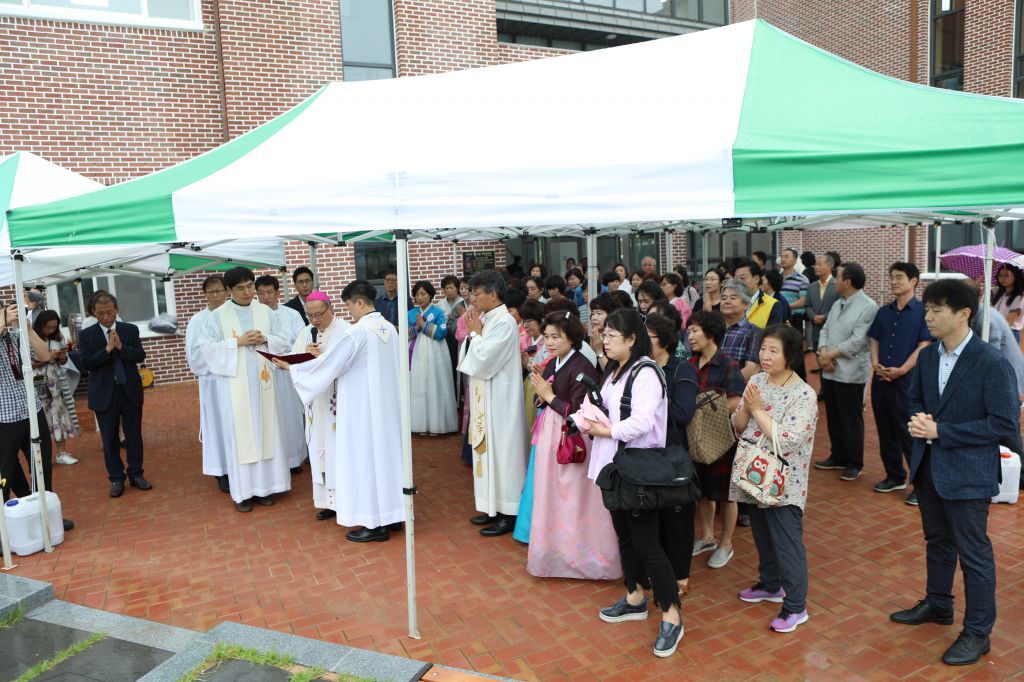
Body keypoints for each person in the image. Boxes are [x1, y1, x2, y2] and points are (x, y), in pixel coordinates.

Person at [890, 279, 1019, 667]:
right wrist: (918, 419)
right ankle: (938, 603)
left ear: (963, 314)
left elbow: (1004, 424)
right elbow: (915, 398)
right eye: (927, 308)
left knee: (974, 553)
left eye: (936, 310)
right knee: (937, 541)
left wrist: (941, 431)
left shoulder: (990, 361)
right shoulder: (928, 356)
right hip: (929, 466)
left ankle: (979, 632)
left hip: (968, 472)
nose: (927, 316)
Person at [282, 280, 405, 542]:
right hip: (388, 410)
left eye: (349, 305)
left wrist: (293, 367)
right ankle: (393, 515)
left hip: (361, 411)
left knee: (366, 462)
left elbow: (330, 365)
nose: (349, 312)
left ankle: (374, 524)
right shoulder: (390, 330)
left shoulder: (357, 332)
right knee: (387, 460)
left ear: (359, 302)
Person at [590, 309, 682, 658]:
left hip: (637, 470)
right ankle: (634, 597)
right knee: (626, 537)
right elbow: (608, 410)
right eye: (605, 334)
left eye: (613, 335)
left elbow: (642, 423)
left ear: (632, 339)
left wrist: (606, 430)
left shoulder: (645, 373)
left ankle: (672, 614)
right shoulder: (614, 371)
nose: (606, 339)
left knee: (647, 544)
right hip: (613, 468)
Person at [730, 325, 818, 633]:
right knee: (763, 534)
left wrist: (757, 410)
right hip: (753, 474)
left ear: (790, 356)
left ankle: (796, 606)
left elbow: (788, 440)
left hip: (784, 483)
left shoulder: (804, 394)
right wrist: (744, 410)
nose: (765, 356)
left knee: (787, 543)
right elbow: (740, 423)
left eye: (773, 351)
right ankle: (770, 584)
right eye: (763, 349)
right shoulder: (755, 380)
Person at [519, 311, 620, 579]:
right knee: (551, 494)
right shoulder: (555, 363)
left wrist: (548, 395)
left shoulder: (581, 367)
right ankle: (554, 553)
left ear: (572, 337)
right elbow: (545, 398)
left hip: (570, 438)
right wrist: (543, 392)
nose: (549, 342)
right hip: (552, 435)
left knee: (573, 498)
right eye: (547, 336)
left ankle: (580, 557)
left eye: (556, 337)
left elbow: (578, 411)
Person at [198, 266, 292, 512]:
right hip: (234, 386)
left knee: (266, 430)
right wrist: (237, 342)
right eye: (240, 288)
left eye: (250, 286)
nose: (248, 292)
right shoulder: (216, 316)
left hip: (263, 384)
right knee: (240, 436)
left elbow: (284, 340)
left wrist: (266, 339)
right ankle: (243, 493)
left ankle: (267, 488)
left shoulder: (266, 312)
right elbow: (206, 350)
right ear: (229, 291)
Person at [458, 270, 528, 537]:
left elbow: (485, 359)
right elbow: (471, 355)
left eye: (477, 293)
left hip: (500, 401)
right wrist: (473, 333)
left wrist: (475, 334)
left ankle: (508, 513)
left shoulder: (504, 322)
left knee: (504, 455)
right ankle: (491, 507)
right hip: (484, 397)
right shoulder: (486, 317)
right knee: (487, 454)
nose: (473, 298)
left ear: (494, 294)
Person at [0, 304, 74, 531]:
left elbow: (44, 355)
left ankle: (46, 516)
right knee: (6, 474)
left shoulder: (15, 335)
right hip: (4, 417)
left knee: (42, 469)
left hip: (32, 411)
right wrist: (2, 323)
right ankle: (5, 530)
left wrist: (28, 329)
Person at [687, 310, 746, 570]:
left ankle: (726, 544)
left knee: (725, 494)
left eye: (694, 331)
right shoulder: (690, 364)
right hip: (696, 440)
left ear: (711, 334)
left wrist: (704, 409)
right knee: (702, 491)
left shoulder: (728, 365)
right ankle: (708, 537)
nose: (689, 336)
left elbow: (736, 400)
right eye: (688, 331)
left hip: (721, 439)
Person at [868, 263, 932, 502]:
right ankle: (894, 475)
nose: (894, 281)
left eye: (899, 277)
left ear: (914, 281)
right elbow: (874, 339)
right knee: (885, 429)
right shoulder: (883, 311)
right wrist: (875, 364)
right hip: (881, 379)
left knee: (908, 431)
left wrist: (903, 369)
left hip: (906, 381)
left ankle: (920, 484)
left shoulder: (922, 312)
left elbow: (924, 345)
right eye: (892, 277)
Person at [78, 292, 151, 497]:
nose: (106, 317)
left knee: (133, 435)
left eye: (109, 312)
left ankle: (136, 474)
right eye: (100, 313)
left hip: (129, 390)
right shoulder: (86, 335)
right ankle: (117, 478)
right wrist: (107, 349)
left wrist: (120, 347)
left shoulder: (130, 330)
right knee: (109, 438)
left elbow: (139, 355)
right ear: (93, 312)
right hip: (104, 393)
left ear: (116, 310)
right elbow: (86, 364)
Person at [646, 313, 698, 598]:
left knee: (678, 519)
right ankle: (660, 570)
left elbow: (682, 413)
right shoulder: (641, 368)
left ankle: (680, 574)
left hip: (674, 456)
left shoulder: (682, 370)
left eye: (648, 338)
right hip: (647, 456)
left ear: (664, 341)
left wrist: (651, 401)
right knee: (654, 516)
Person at [814, 262, 878, 482]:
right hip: (830, 370)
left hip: (851, 373)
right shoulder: (837, 303)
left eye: (838, 276)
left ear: (847, 282)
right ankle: (838, 455)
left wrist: (829, 356)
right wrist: (823, 353)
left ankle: (854, 462)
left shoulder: (868, 306)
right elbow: (826, 330)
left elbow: (858, 341)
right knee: (833, 416)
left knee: (850, 418)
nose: (835, 280)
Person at [291, 291, 350, 520]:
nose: (314, 320)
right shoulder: (306, 333)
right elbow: (295, 361)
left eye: (318, 315)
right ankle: (327, 501)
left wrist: (320, 359)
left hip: (336, 404)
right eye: (309, 315)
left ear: (330, 308)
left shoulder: (345, 331)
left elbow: (345, 366)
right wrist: (303, 360)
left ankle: (344, 499)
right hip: (316, 405)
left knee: (337, 451)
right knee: (320, 453)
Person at [257, 274, 309, 474]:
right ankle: (276, 462)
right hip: (265, 373)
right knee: (271, 417)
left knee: (291, 415)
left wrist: (285, 352)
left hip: (287, 371)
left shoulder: (291, 314)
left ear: (278, 293)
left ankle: (295, 458)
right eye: (261, 293)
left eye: (269, 292)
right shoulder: (255, 316)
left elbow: (300, 339)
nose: (265, 297)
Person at [185, 275, 231, 493]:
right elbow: (194, 355)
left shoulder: (234, 315)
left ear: (227, 292)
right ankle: (221, 470)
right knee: (217, 425)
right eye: (211, 292)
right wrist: (221, 356)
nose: (215, 296)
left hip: (235, 378)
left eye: (219, 291)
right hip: (213, 381)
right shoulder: (198, 320)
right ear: (205, 295)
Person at [32, 310, 81, 465]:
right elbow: (26, 363)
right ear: (40, 326)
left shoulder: (58, 338)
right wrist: (46, 358)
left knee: (59, 415)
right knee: (41, 418)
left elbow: (63, 361)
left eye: (54, 327)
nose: (51, 330)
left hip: (57, 383)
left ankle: (61, 453)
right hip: (38, 381)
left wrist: (62, 357)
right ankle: (41, 456)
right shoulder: (30, 339)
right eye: (48, 327)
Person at [409, 280, 458, 435]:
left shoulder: (437, 312)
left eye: (423, 294)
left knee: (435, 383)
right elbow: (405, 334)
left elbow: (442, 333)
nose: (420, 297)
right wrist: (417, 327)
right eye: (417, 294)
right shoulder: (410, 313)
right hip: (416, 352)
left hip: (435, 351)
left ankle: (437, 424)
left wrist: (423, 325)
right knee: (418, 385)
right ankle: (420, 424)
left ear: (430, 295)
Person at [719, 281, 761, 381]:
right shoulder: (714, 329)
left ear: (746, 304)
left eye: (733, 298)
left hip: (737, 391)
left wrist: (723, 383)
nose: (727, 301)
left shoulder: (754, 331)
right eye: (723, 298)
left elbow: (751, 370)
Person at [734, 260, 785, 329]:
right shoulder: (730, 302)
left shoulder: (773, 305)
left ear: (756, 279)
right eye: (736, 279)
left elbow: (772, 335)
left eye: (743, 278)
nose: (738, 282)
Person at [805, 254, 839, 353]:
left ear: (829, 266)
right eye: (815, 265)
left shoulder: (837, 285)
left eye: (819, 264)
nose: (816, 267)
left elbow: (840, 306)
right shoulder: (811, 287)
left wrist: (824, 316)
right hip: (816, 332)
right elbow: (808, 306)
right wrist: (813, 316)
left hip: (832, 332)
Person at [779, 248, 809, 336]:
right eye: (782, 257)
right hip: (778, 317)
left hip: (794, 318)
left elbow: (802, 301)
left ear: (795, 260)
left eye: (786, 257)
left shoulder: (802, 279)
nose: (783, 259)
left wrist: (784, 307)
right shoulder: (777, 278)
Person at [991, 263, 1024, 343]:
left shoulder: (1019, 298)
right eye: (1000, 275)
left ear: (1015, 277)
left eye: (1006, 275)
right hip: (994, 330)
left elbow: (1009, 322)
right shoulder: (995, 293)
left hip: (1010, 333)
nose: (1003, 278)